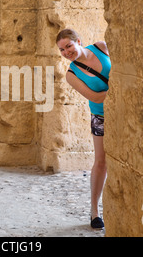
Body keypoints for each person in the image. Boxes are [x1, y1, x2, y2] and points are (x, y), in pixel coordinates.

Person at [56, 29, 111, 229]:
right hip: (100, 116)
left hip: (125, 111)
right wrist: (123, 87)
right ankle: (95, 211)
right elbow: (95, 98)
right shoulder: (71, 75)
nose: (66, 52)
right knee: (101, 162)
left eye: (68, 46)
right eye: (62, 50)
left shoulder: (102, 47)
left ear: (78, 41)